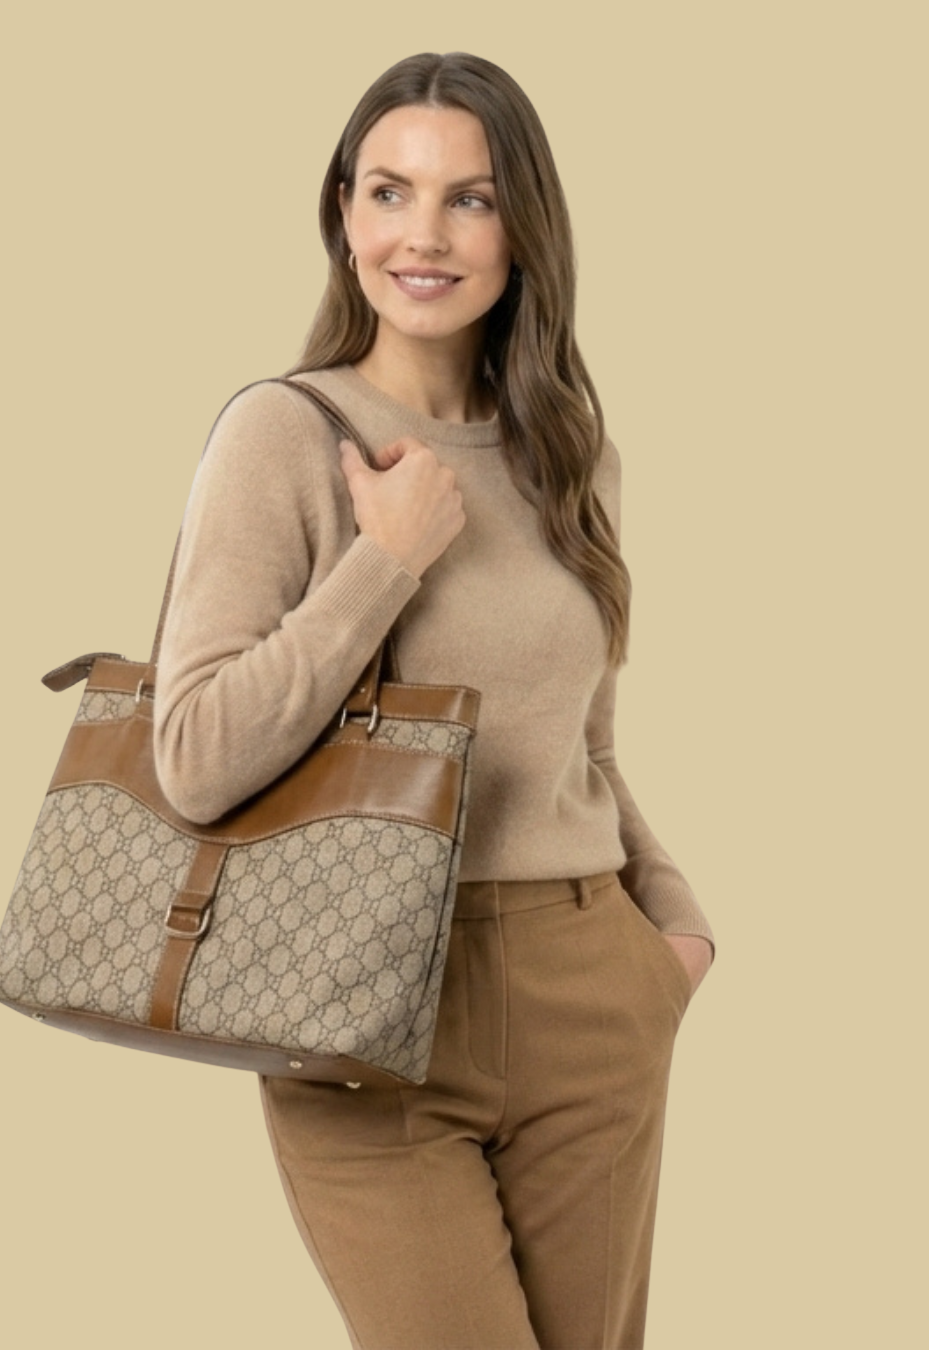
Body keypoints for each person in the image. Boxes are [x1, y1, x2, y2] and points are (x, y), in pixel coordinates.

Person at [153, 50, 715, 1350]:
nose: (424, 232)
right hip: (358, 1010)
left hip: (591, 982)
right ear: (343, 214)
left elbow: (583, 735)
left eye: (470, 197)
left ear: (524, 228)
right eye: (390, 191)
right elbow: (191, 757)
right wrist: (384, 558)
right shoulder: (283, 435)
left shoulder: (569, 453)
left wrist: (669, 935)